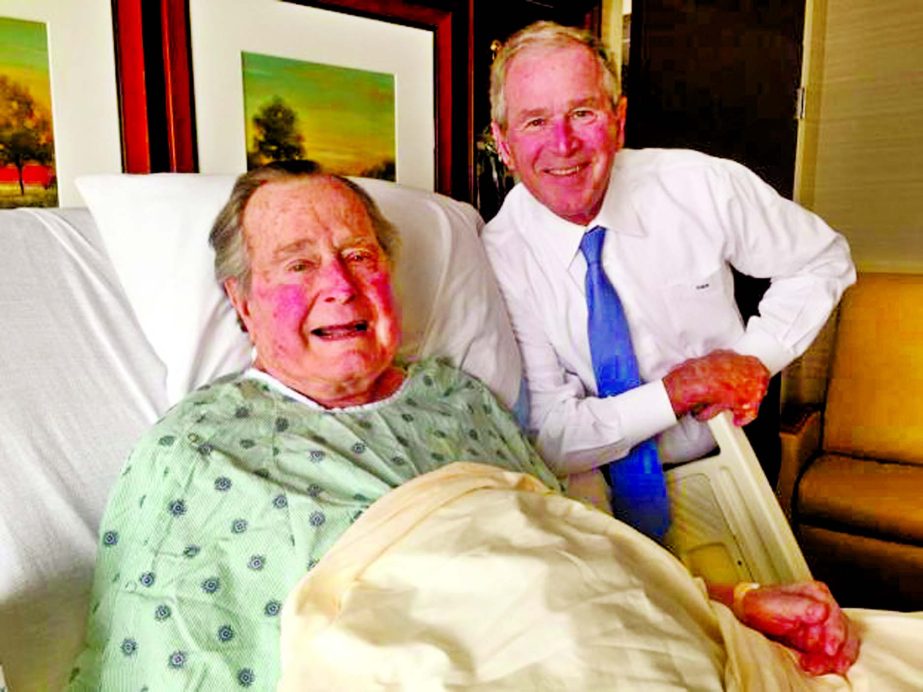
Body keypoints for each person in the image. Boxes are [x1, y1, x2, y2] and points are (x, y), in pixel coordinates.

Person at [67, 162, 856, 689]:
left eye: (360, 256)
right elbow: (165, 663)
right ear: (240, 304)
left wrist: (733, 601)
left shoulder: (457, 397)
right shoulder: (198, 451)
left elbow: (577, 557)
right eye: (298, 265)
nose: (339, 286)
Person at [481, 21, 856, 535]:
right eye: (535, 122)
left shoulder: (698, 185)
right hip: (592, 498)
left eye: (583, 112)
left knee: (771, 609)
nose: (563, 144)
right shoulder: (500, 252)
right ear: (503, 143)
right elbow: (552, 433)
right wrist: (680, 390)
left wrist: (753, 360)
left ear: (619, 120)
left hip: (730, 462)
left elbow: (822, 259)